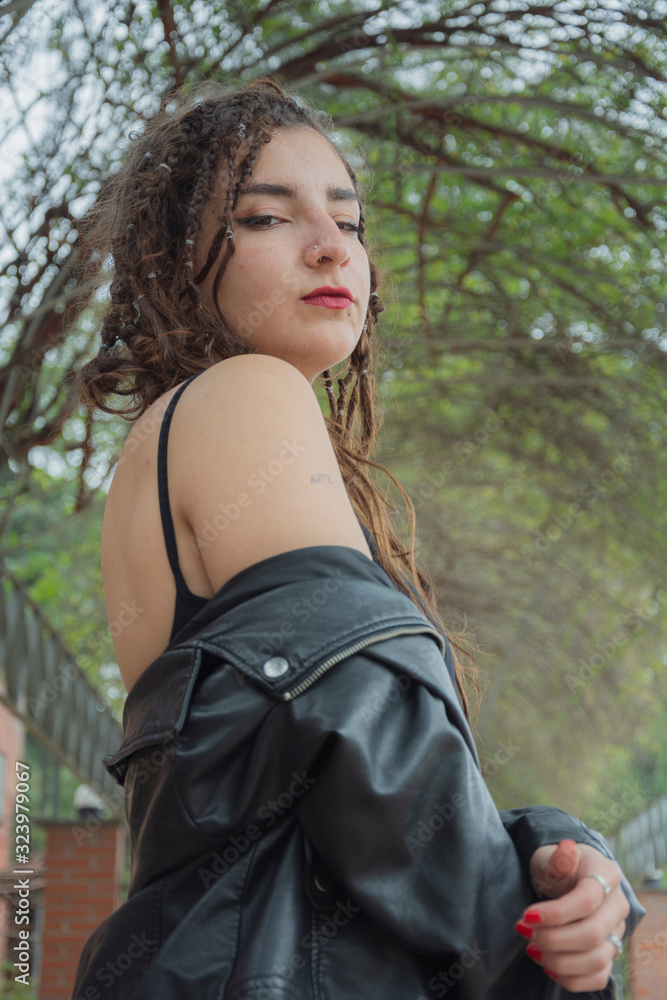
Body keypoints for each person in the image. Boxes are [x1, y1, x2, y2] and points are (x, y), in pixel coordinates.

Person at [69, 77, 644, 998]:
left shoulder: (176, 439)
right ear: (178, 259)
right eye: (265, 217)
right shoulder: (246, 395)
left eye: (348, 220)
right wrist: (536, 956)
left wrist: (551, 855)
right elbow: (368, 729)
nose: (331, 245)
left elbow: (336, 774)